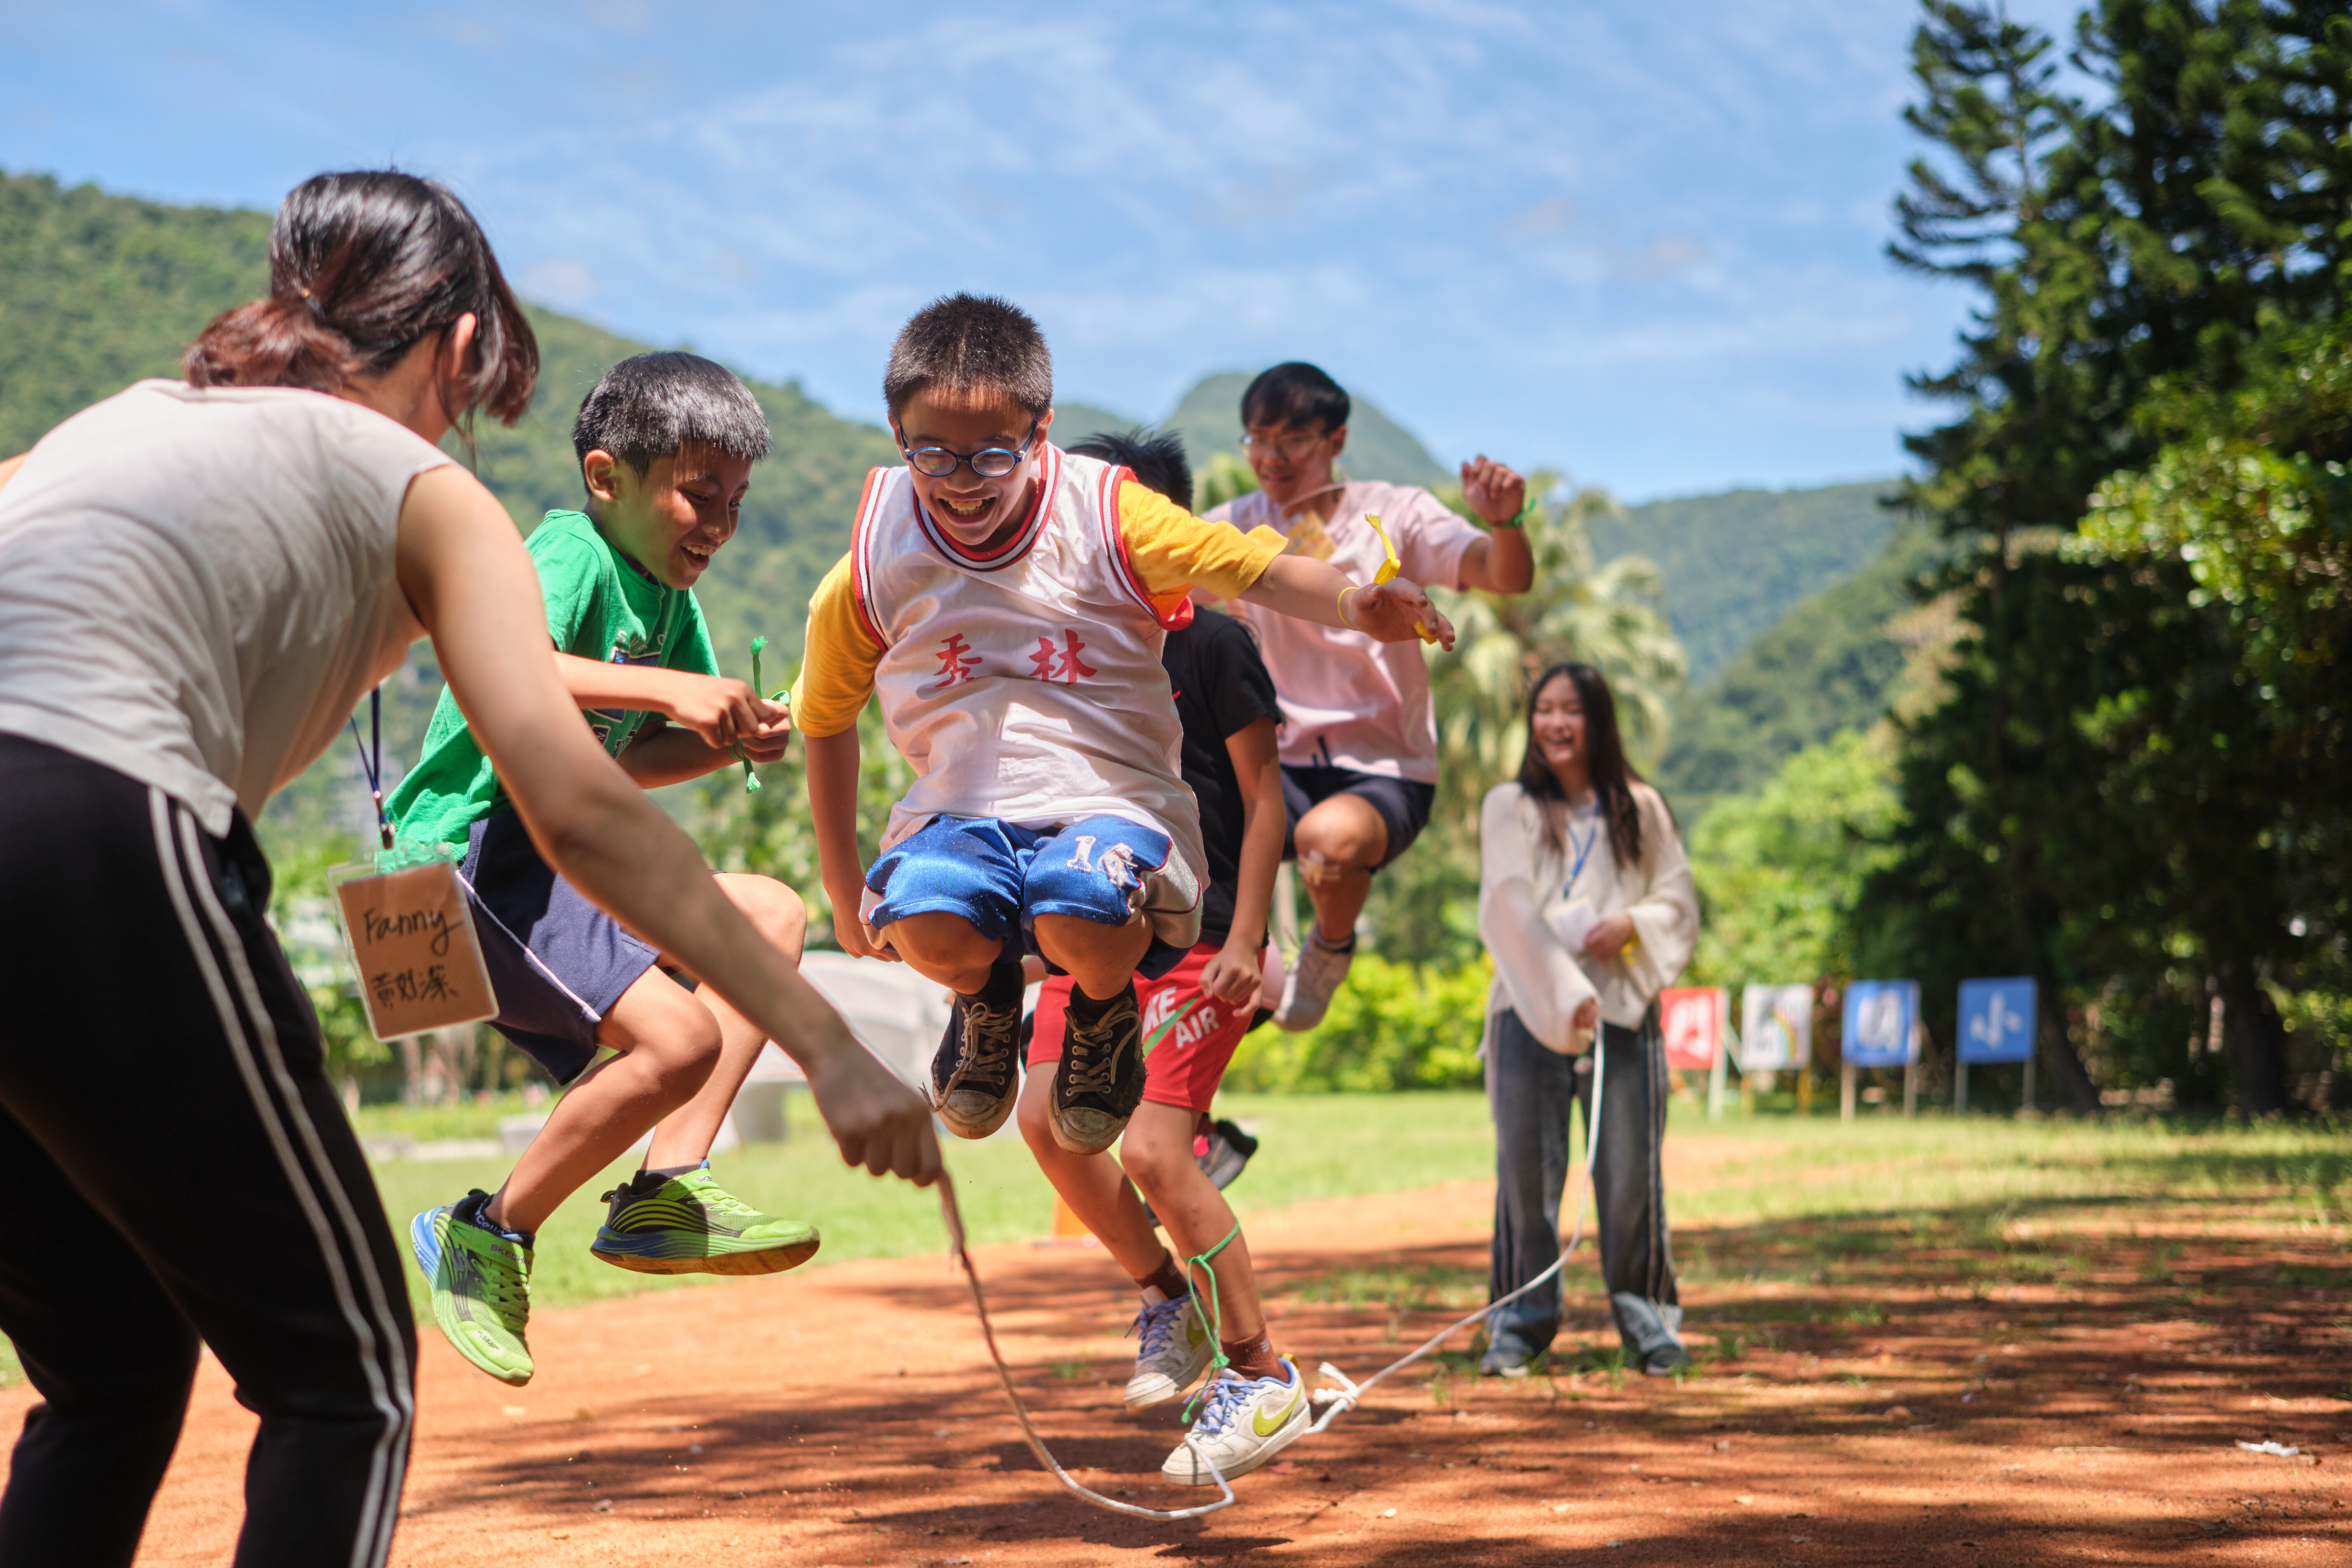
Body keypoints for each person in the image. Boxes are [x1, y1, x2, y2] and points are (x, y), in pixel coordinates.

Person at [0, 170, 936, 1568]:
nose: (467, 426)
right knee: (344, 1382)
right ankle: (532, 1218)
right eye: (475, 389)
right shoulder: (428, 491)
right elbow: (579, 809)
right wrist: (830, 1043)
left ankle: (641, 1189)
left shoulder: (102, 426)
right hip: (95, 823)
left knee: (115, 1367)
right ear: (454, 349)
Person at [795, 295, 1453, 1165]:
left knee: (1083, 899)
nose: (961, 481)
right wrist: (845, 891)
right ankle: (987, 1000)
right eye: (932, 454)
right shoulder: (876, 560)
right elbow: (825, 718)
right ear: (895, 433)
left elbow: (1247, 565)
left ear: (1042, 432)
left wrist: (1355, 603)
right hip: (963, 808)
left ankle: (1105, 1016)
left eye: (994, 454)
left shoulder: (1109, 516)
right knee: (920, 915)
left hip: (1110, 804)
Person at [386, 351, 823, 1388]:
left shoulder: (666, 597)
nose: (717, 524)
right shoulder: (572, 551)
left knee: (767, 918)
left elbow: (631, 752)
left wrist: (725, 737)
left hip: (562, 848)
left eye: (736, 501)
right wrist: (682, 692)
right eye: (696, 494)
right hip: (476, 847)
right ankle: (485, 1231)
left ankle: (667, 1184)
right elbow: (499, 658)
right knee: (680, 1038)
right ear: (605, 477)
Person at [1018, 428, 1299, 1484]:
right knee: (1044, 1119)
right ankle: (1165, 1298)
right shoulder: (1053, 649)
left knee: (1150, 1151)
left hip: (1200, 932)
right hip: (1094, 937)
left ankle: (1259, 1371)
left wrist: (1248, 937)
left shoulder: (1215, 644)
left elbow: (1268, 796)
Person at [1204, 362, 1535, 1030]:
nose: (1272, 458)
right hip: (1275, 762)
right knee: (1182, 833)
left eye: (1293, 440)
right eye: (1257, 440)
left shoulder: (1398, 513)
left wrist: (1508, 524)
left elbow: (1503, 576)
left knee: (1331, 841)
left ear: (1337, 439)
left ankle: (1330, 946)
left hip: (1385, 769)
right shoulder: (1227, 527)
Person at [1475, 662, 1698, 1379]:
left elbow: (1679, 901)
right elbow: (1509, 904)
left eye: (1572, 709)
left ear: (1599, 720)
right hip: (1528, 1012)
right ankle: (1520, 1323)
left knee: (1632, 1177)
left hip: (1624, 1013)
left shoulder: (1641, 806)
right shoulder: (1508, 804)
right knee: (1525, 1181)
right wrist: (1567, 989)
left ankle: (1650, 1320)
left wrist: (1632, 922)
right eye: (1544, 709)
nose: (1556, 723)